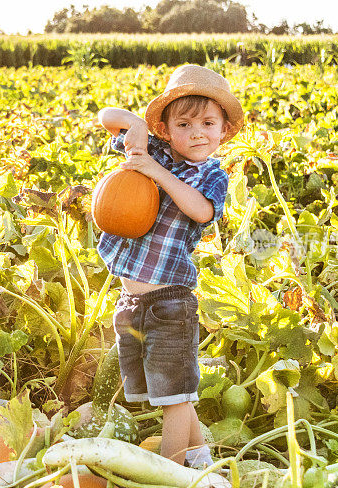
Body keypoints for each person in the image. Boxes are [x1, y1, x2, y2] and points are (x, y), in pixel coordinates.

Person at [96, 64, 243, 466]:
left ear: (224, 131)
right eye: (184, 123)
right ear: (166, 129)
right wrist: (135, 127)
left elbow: (200, 212)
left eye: (208, 123)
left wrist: (154, 171)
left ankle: (170, 473)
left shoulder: (211, 174)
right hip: (131, 301)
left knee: (174, 400)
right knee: (168, 392)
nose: (197, 133)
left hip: (169, 303)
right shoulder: (153, 149)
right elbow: (105, 117)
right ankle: (201, 460)